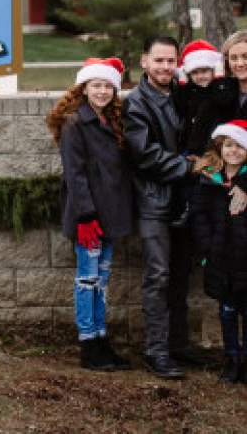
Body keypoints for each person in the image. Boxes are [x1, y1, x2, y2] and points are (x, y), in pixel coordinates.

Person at [123, 35, 203, 379]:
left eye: (171, 61)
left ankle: (179, 345)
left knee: (181, 276)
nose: (165, 67)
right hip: (154, 200)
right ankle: (156, 351)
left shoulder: (182, 96)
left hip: (184, 201)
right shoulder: (137, 103)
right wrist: (187, 166)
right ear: (145, 61)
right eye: (159, 61)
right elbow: (143, 155)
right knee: (158, 276)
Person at [47, 57, 133, 372]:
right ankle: (88, 343)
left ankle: (101, 338)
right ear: (84, 88)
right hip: (89, 217)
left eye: (108, 86)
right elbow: (75, 173)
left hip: (110, 214)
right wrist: (86, 215)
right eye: (96, 85)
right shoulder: (74, 123)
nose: (102, 91)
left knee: (102, 280)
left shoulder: (111, 120)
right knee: (88, 278)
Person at [191, 120, 247, 383]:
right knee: (226, 310)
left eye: (240, 147)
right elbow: (199, 216)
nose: (233, 151)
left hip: (244, 258)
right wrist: (207, 249)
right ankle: (231, 358)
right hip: (220, 257)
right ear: (220, 147)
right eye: (228, 145)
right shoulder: (210, 180)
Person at [171, 39, 236, 226]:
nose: (200, 77)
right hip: (192, 149)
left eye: (205, 71)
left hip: (213, 150)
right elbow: (182, 104)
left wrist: (218, 78)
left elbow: (223, 99)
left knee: (211, 189)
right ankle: (183, 208)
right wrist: (183, 82)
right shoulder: (192, 91)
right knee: (185, 183)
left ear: (214, 70)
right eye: (195, 73)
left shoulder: (221, 89)